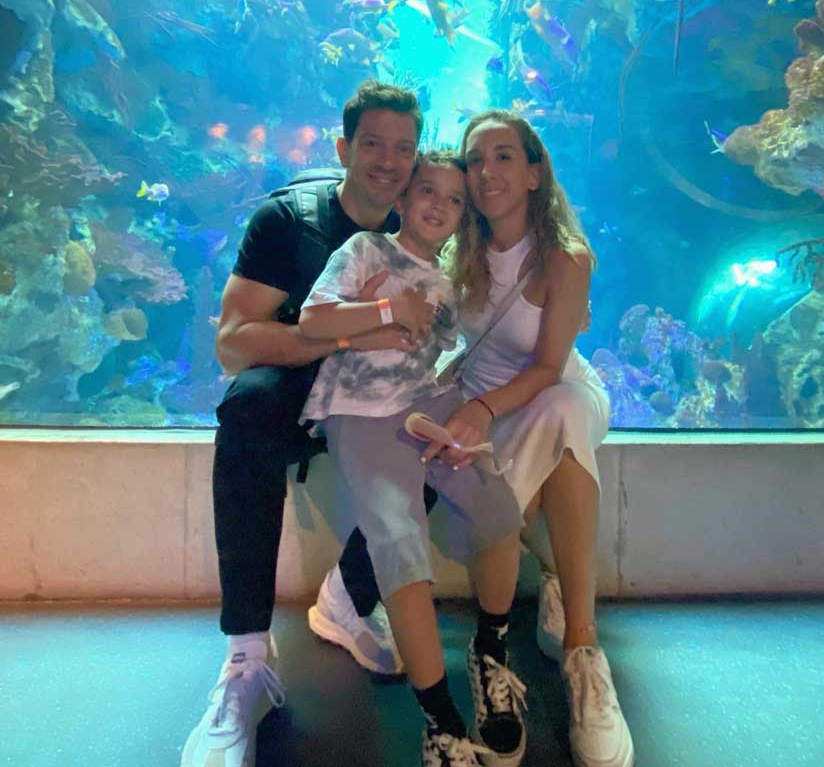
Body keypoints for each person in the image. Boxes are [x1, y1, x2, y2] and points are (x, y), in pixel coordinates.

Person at [182, 80, 432, 767]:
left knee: (443, 431)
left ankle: (350, 597)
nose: (388, 161)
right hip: (299, 384)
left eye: (403, 148)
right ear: (343, 148)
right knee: (247, 403)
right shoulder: (289, 221)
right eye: (372, 144)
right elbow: (234, 344)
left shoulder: (424, 221)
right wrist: (347, 335)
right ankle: (246, 659)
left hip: (379, 394)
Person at [297, 149, 528, 767]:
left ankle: (490, 651)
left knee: (497, 508)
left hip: (425, 403)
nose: (439, 206)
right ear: (402, 197)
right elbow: (313, 320)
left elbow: (440, 352)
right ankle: (441, 723)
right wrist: (386, 310)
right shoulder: (365, 250)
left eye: (455, 200)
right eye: (428, 191)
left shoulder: (449, 285)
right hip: (360, 411)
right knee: (398, 539)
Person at [421, 110, 635, 767]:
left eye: (504, 156)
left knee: (561, 411)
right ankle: (516, 628)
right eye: (474, 159)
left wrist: (481, 409)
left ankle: (579, 650)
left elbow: (546, 367)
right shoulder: (458, 250)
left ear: (535, 172)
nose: (486, 171)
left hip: (554, 390)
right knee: (518, 476)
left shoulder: (565, 258)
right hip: (484, 402)